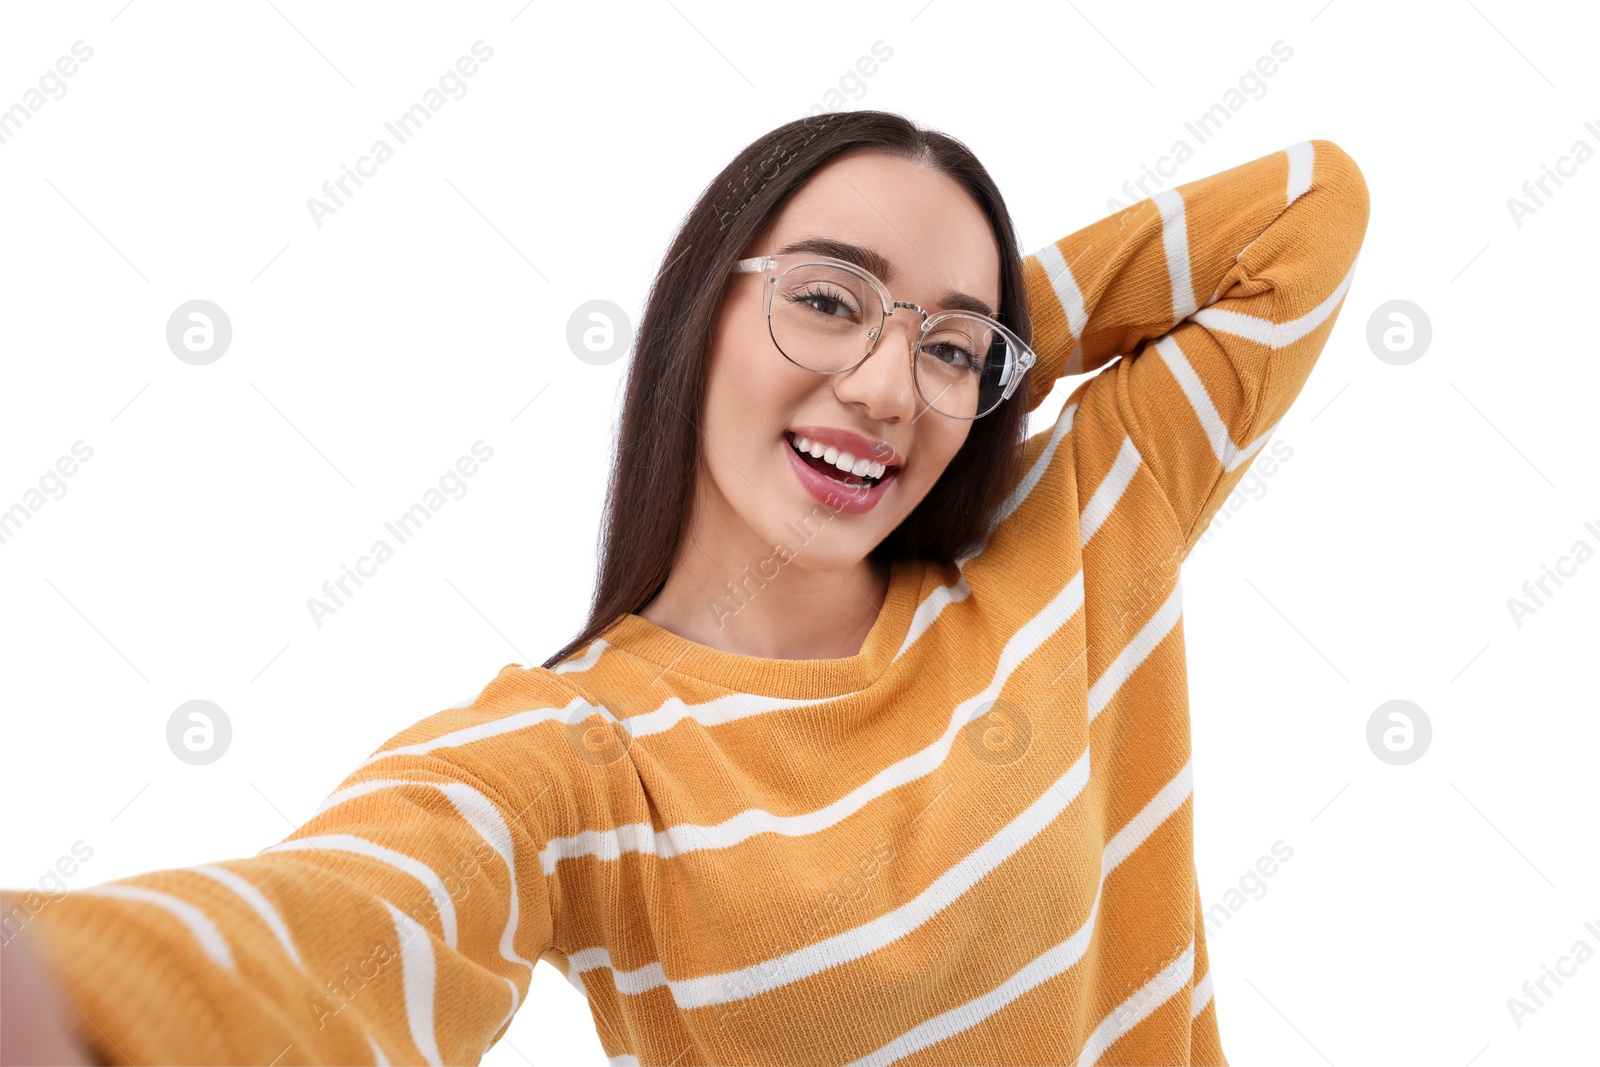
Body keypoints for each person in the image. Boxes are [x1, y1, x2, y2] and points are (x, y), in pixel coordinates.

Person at [1, 110, 1369, 1065]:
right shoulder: (581, 757)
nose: (886, 389)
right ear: (694, 310)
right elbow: (353, 919)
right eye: (825, 300)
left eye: (950, 345)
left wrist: (980, 373)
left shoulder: (1071, 526)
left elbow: (1309, 210)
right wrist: (88, 1002)